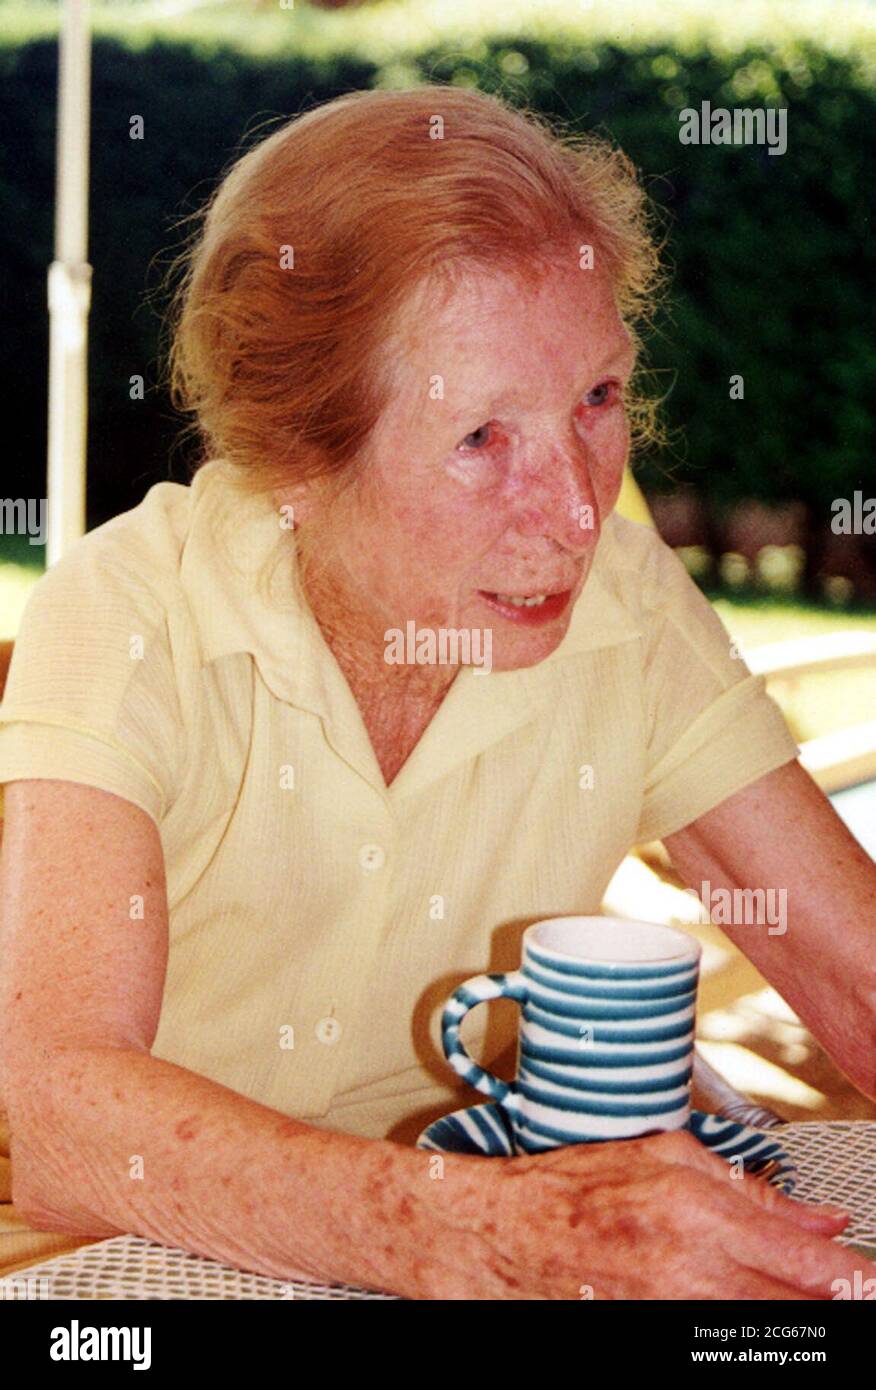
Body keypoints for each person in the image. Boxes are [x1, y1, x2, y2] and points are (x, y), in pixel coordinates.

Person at [0, 86, 873, 1300]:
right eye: (481, 440)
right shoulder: (127, 612)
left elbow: (856, 971)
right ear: (303, 456)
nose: (578, 511)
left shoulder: (623, 603)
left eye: (598, 400)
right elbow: (58, 1113)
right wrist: (486, 1236)